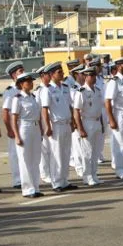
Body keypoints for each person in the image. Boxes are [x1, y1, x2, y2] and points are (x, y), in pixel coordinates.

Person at [41, 62, 76, 192]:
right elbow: (45, 109)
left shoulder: (66, 87)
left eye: (62, 71)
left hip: (66, 123)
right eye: (59, 72)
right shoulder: (47, 90)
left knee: (66, 153)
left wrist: (73, 122)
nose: (62, 74)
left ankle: (64, 180)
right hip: (56, 125)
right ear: (51, 75)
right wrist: (48, 126)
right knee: (57, 154)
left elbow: (70, 107)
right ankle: (56, 182)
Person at [12, 72, 44, 198]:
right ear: (21, 84)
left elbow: (38, 115)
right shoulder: (18, 98)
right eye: (28, 81)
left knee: (35, 159)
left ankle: (35, 187)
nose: (31, 83)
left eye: (31, 81)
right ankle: (28, 189)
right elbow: (13, 118)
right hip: (24, 128)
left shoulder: (33, 96)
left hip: (35, 128)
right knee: (25, 160)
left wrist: (41, 130)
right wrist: (17, 135)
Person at [73, 65, 105, 186]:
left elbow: (99, 109)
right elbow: (76, 111)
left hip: (96, 122)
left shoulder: (98, 90)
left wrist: (101, 123)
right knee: (87, 152)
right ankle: (87, 176)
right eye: (91, 75)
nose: (93, 77)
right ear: (85, 77)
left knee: (96, 151)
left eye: (94, 75)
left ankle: (94, 174)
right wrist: (80, 128)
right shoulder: (81, 92)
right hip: (87, 122)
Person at [2, 62, 25, 189]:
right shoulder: (10, 91)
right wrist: (9, 129)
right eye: (20, 71)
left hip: (25, 126)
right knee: (15, 154)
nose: (23, 73)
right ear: (13, 75)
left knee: (25, 154)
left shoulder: (24, 88)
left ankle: (25, 177)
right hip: (15, 126)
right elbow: (5, 112)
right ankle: (17, 180)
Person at [35, 67, 54, 185]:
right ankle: (45, 173)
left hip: (53, 122)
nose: (50, 76)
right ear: (42, 76)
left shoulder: (52, 88)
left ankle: (51, 173)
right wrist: (44, 126)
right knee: (45, 150)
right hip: (44, 122)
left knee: (52, 150)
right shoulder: (40, 90)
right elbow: (40, 109)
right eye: (48, 74)